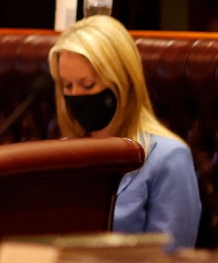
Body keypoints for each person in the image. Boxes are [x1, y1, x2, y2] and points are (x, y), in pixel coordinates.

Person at [49, 16, 201, 250]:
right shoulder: (65, 152)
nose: (76, 95)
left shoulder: (169, 158)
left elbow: (170, 260)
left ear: (122, 82)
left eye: (88, 84)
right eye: (67, 86)